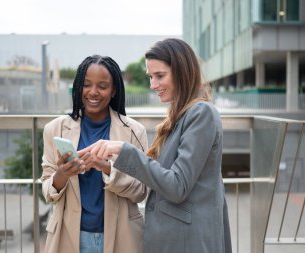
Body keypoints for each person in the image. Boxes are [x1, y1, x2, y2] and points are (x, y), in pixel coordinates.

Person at [80, 39, 232, 253]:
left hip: (188, 241)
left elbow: (177, 186)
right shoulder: (182, 116)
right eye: (151, 77)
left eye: (160, 76)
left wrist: (125, 151)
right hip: (176, 238)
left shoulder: (201, 114)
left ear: (182, 71)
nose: (153, 85)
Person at [41, 55, 148, 253]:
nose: (93, 92)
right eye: (87, 84)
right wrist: (63, 174)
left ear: (114, 90)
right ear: (78, 87)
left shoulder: (134, 131)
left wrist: (106, 167)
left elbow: (141, 190)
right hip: (70, 236)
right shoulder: (55, 129)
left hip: (122, 236)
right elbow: (48, 192)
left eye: (102, 86)